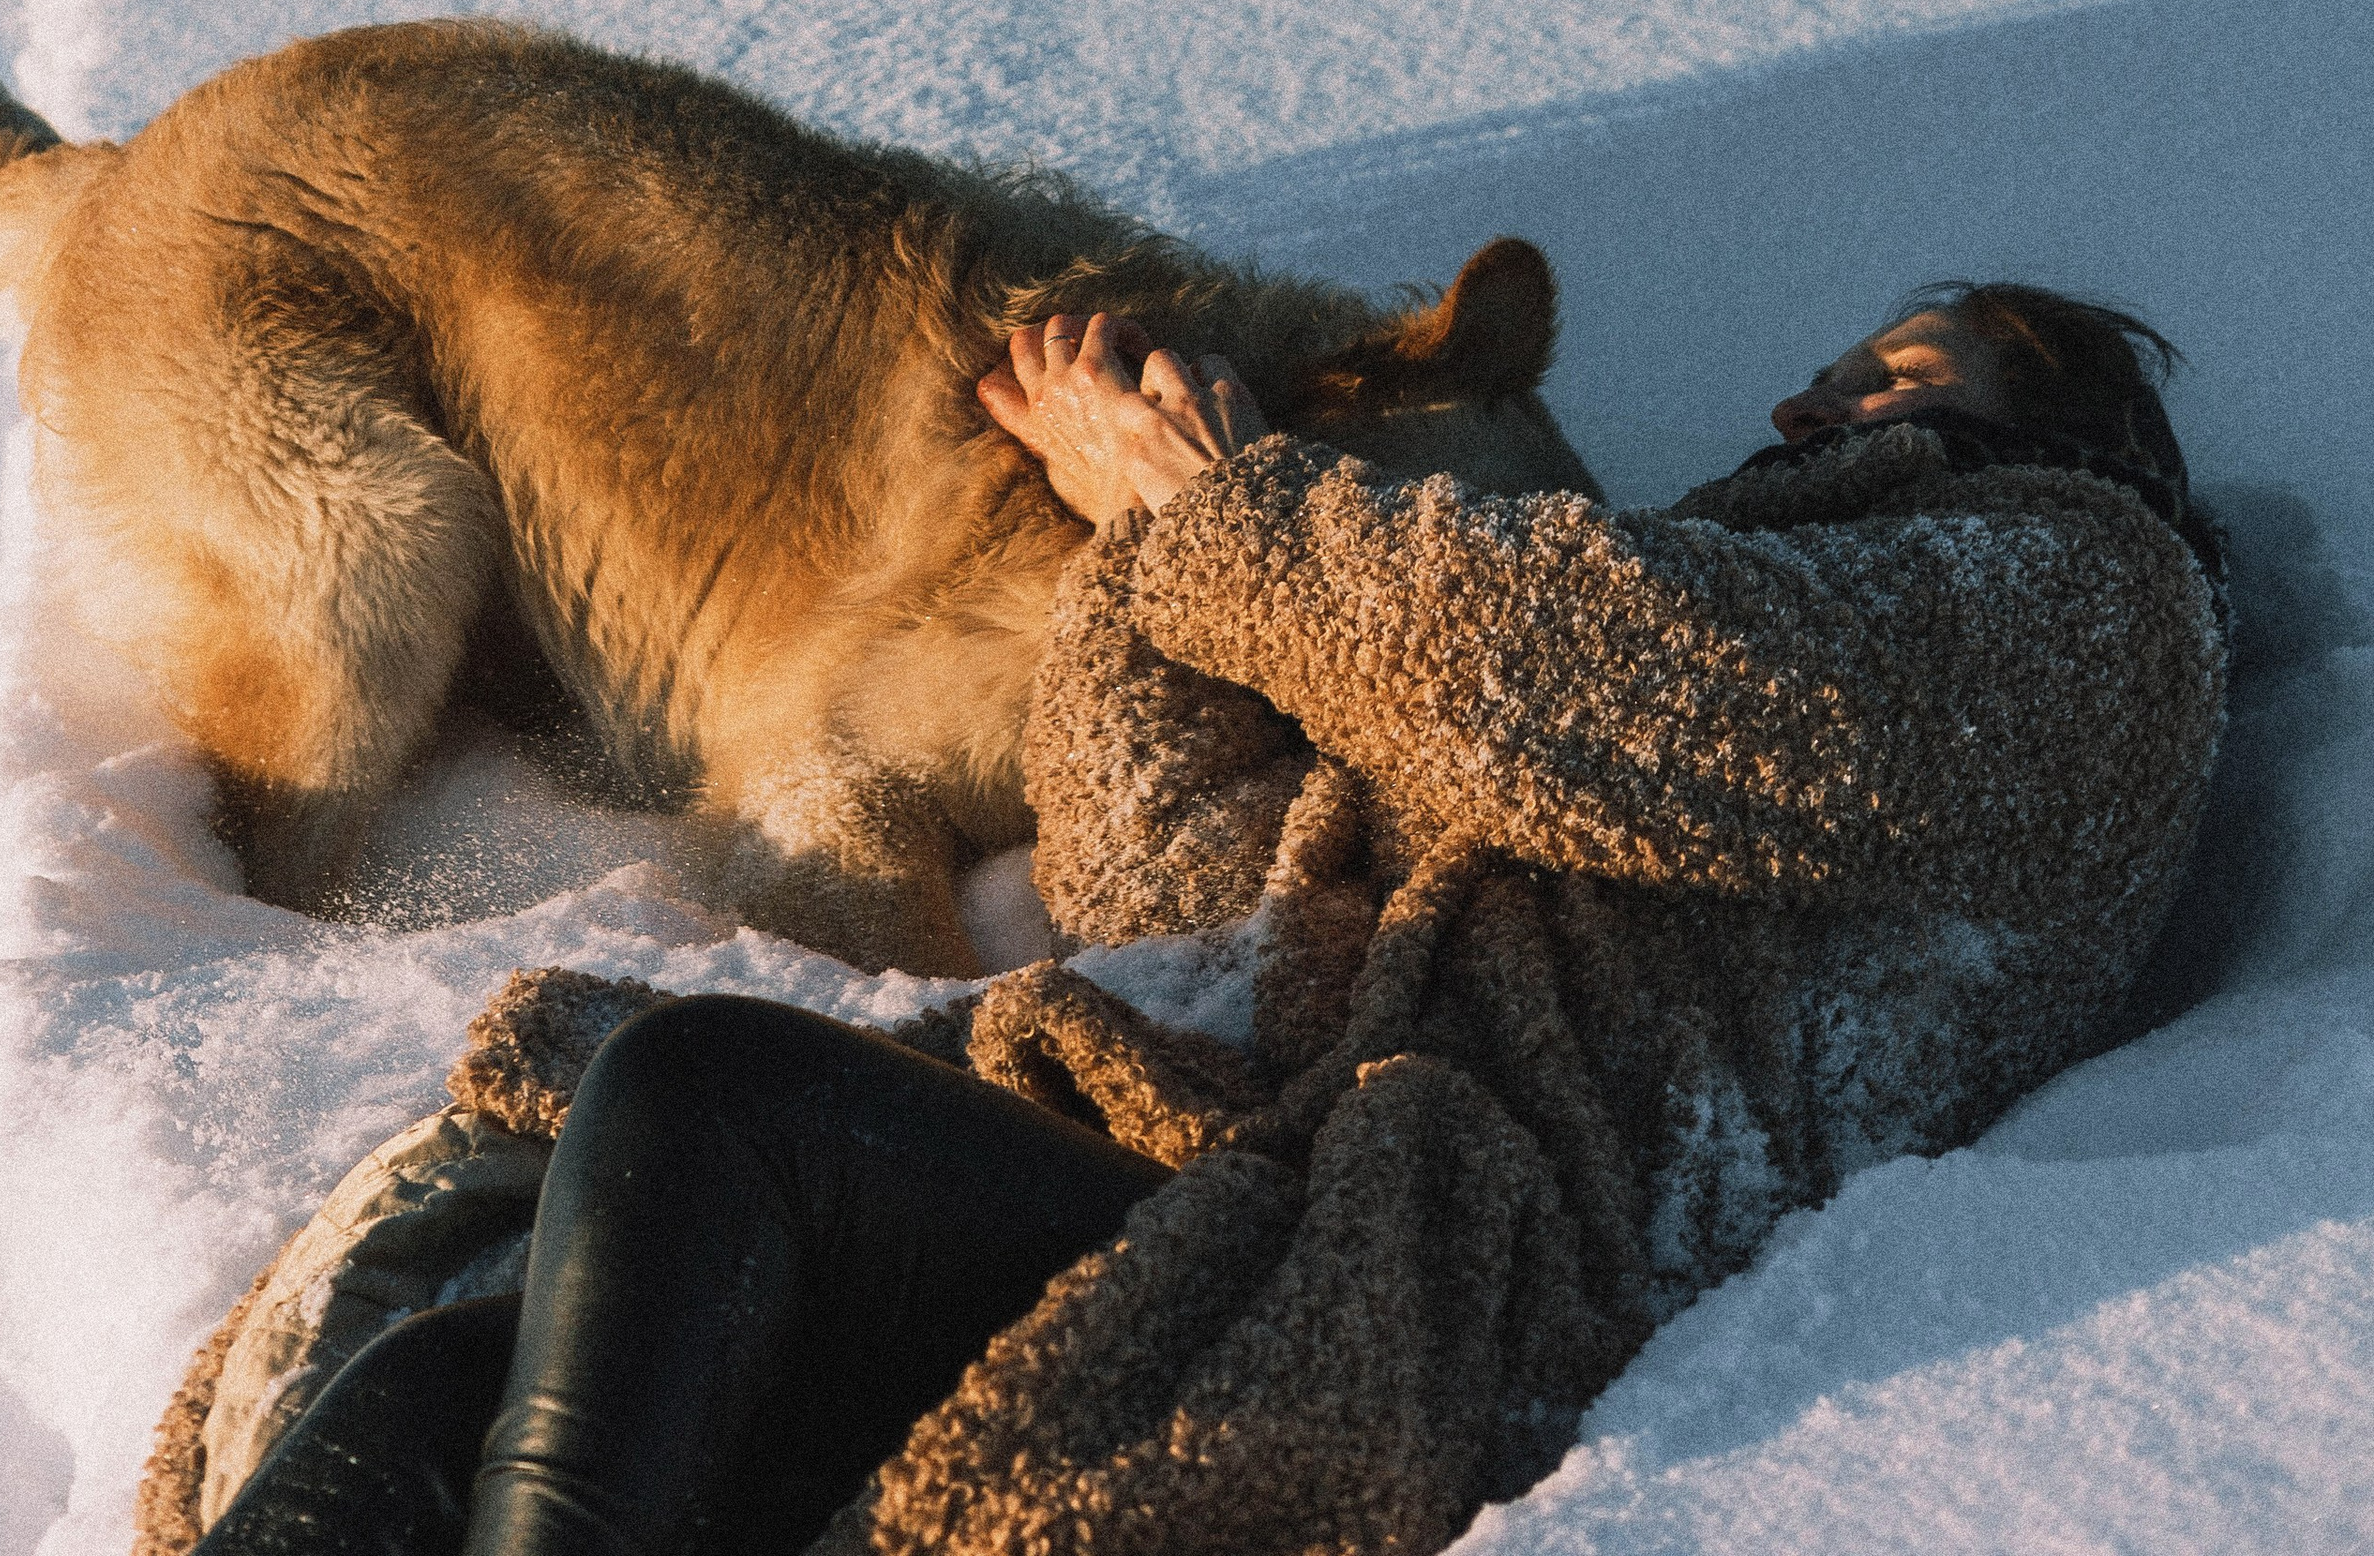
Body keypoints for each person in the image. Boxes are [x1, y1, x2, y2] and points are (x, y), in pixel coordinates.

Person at [191, 281, 2224, 1556]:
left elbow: (1641, 675)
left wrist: (1229, 514)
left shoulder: (2076, 611)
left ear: (2060, 433)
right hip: (1243, 1197)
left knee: (708, 1100)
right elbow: (1195, 893)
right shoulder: (1619, 703)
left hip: (1461, 1281)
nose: (1800, 404)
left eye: (1886, 369)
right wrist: (1141, 564)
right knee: (446, 1386)